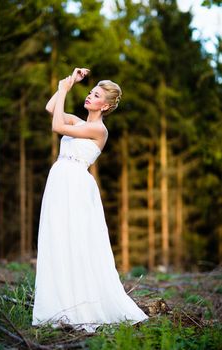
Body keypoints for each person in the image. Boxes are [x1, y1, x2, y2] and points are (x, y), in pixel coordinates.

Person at [32, 68, 148, 333]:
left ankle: (81, 304)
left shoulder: (99, 130)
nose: (89, 96)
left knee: (76, 240)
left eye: (95, 95)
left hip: (75, 184)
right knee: (57, 238)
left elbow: (56, 126)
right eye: (90, 91)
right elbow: (52, 109)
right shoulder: (79, 122)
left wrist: (63, 91)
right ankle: (59, 303)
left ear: (105, 105)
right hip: (59, 180)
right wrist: (70, 82)